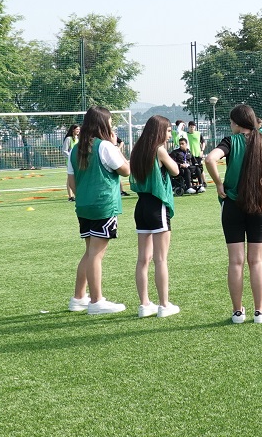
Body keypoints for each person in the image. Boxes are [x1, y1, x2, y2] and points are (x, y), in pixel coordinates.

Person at [206, 104, 262, 324]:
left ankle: (237, 313)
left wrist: (218, 184)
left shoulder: (230, 141)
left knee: (235, 261)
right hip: (260, 205)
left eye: (231, 121)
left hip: (232, 205)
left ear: (237, 123)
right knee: (256, 261)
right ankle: (260, 311)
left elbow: (210, 159)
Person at [67, 106, 132, 315]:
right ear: (103, 123)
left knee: (89, 252)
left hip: (83, 205)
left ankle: (79, 298)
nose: (112, 126)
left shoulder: (76, 149)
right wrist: (116, 146)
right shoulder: (105, 146)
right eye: (110, 122)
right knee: (96, 254)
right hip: (103, 205)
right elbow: (126, 170)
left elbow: (71, 182)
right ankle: (96, 301)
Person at [128, 116, 181, 318]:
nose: (169, 134)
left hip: (141, 206)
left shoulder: (137, 149)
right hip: (157, 205)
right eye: (167, 130)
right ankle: (164, 305)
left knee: (143, 259)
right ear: (159, 131)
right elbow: (175, 171)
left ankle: (144, 305)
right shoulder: (159, 149)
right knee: (160, 259)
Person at [63, 124, 80, 201]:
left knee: (76, 178)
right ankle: (70, 196)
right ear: (73, 130)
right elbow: (64, 151)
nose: (78, 131)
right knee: (70, 178)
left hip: (77, 161)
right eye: (77, 129)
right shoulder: (68, 139)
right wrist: (71, 157)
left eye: (79, 129)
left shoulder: (78, 138)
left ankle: (76, 194)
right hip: (70, 161)